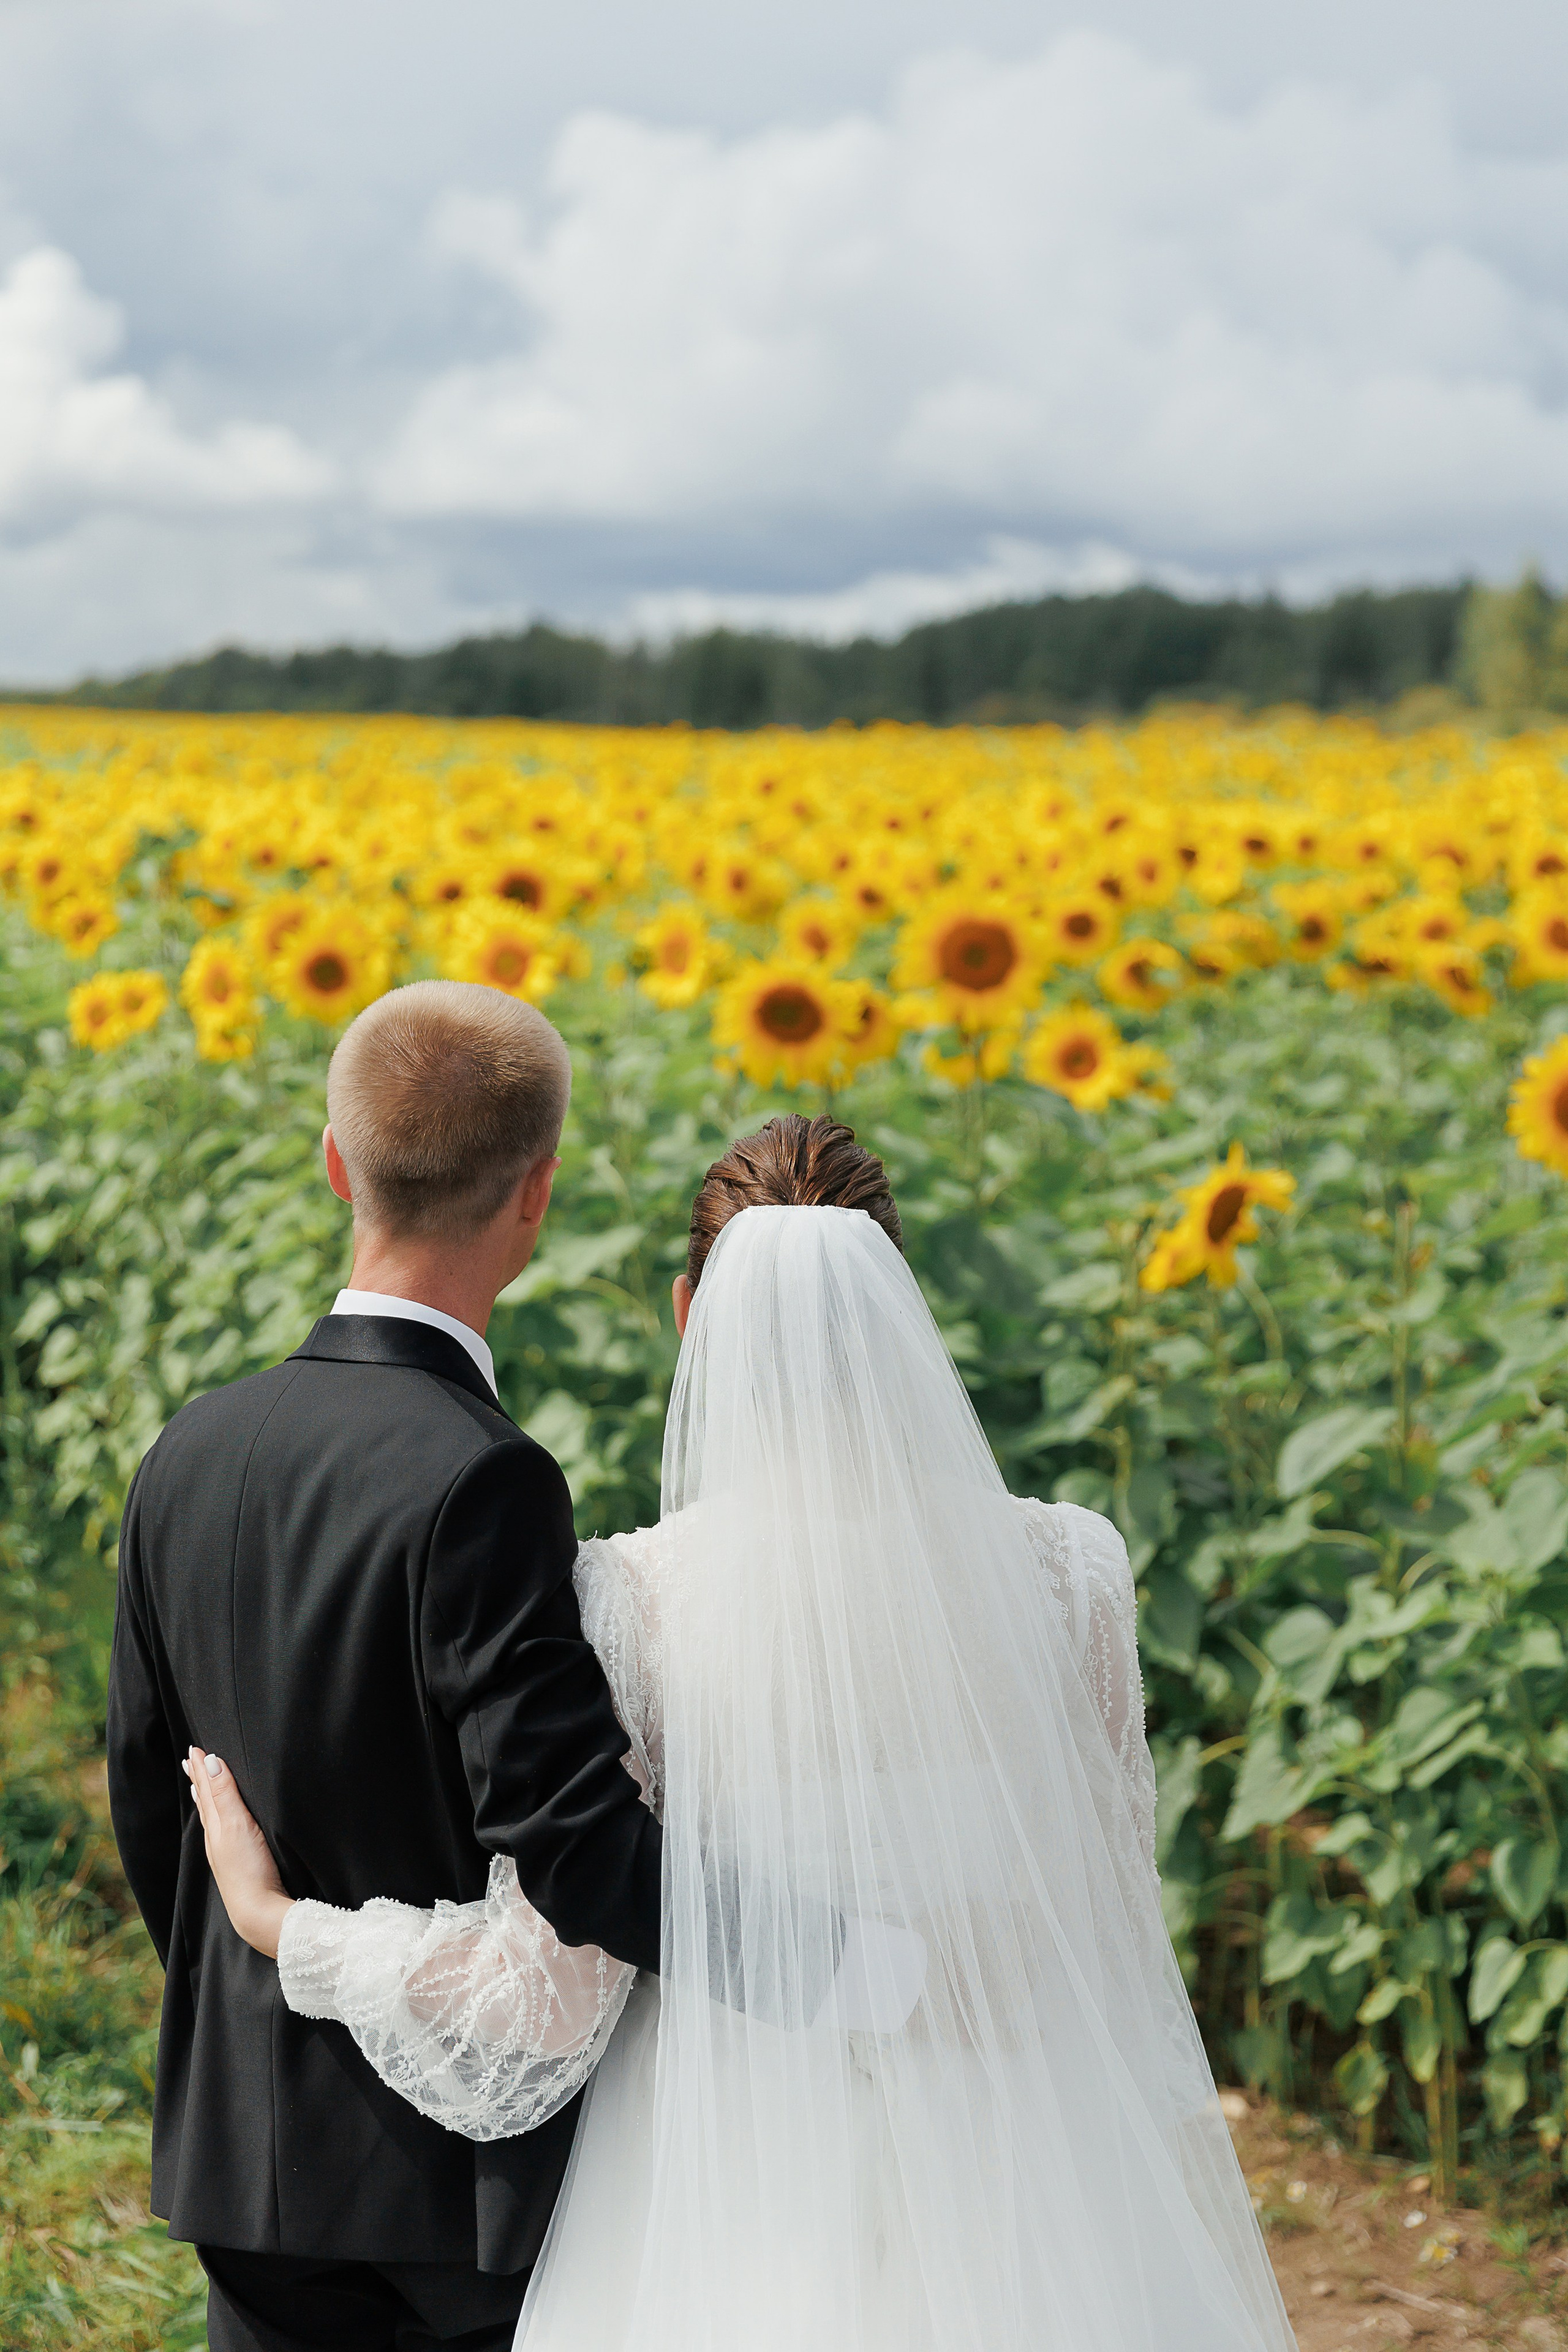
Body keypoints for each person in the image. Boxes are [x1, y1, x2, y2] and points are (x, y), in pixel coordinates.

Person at [187, 1112, 1298, 2352]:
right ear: (897, 1309)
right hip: (1031, 2191)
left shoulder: (638, 1603)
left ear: (685, 1317)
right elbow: (1103, 1917)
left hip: (739, 2188)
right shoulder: (1069, 1577)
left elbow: (552, 1994)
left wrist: (287, 1928)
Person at [107, 981, 663, 2352]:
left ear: (334, 1161)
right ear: (535, 1196)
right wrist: (816, 1955)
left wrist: (253, 1978)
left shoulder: (191, 1448)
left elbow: (146, 1790)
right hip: (444, 2177)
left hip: (245, 2141)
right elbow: (568, 1842)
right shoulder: (481, 1478)